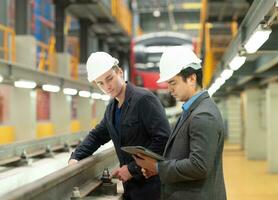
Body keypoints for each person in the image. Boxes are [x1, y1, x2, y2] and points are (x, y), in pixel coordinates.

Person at [68, 52, 171, 200]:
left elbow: (163, 139)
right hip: (131, 188)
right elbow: (97, 135)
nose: (107, 87)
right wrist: (76, 156)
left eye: (109, 78)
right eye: (100, 83)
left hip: (152, 187)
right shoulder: (112, 109)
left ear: (120, 72)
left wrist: (132, 168)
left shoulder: (144, 100)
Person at [134, 46, 227, 200]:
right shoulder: (192, 110)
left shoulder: (203, 115)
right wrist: (156, 166)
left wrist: (158, 168)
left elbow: (199, 166)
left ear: (191, 79)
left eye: (173, 83)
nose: (169, 89)